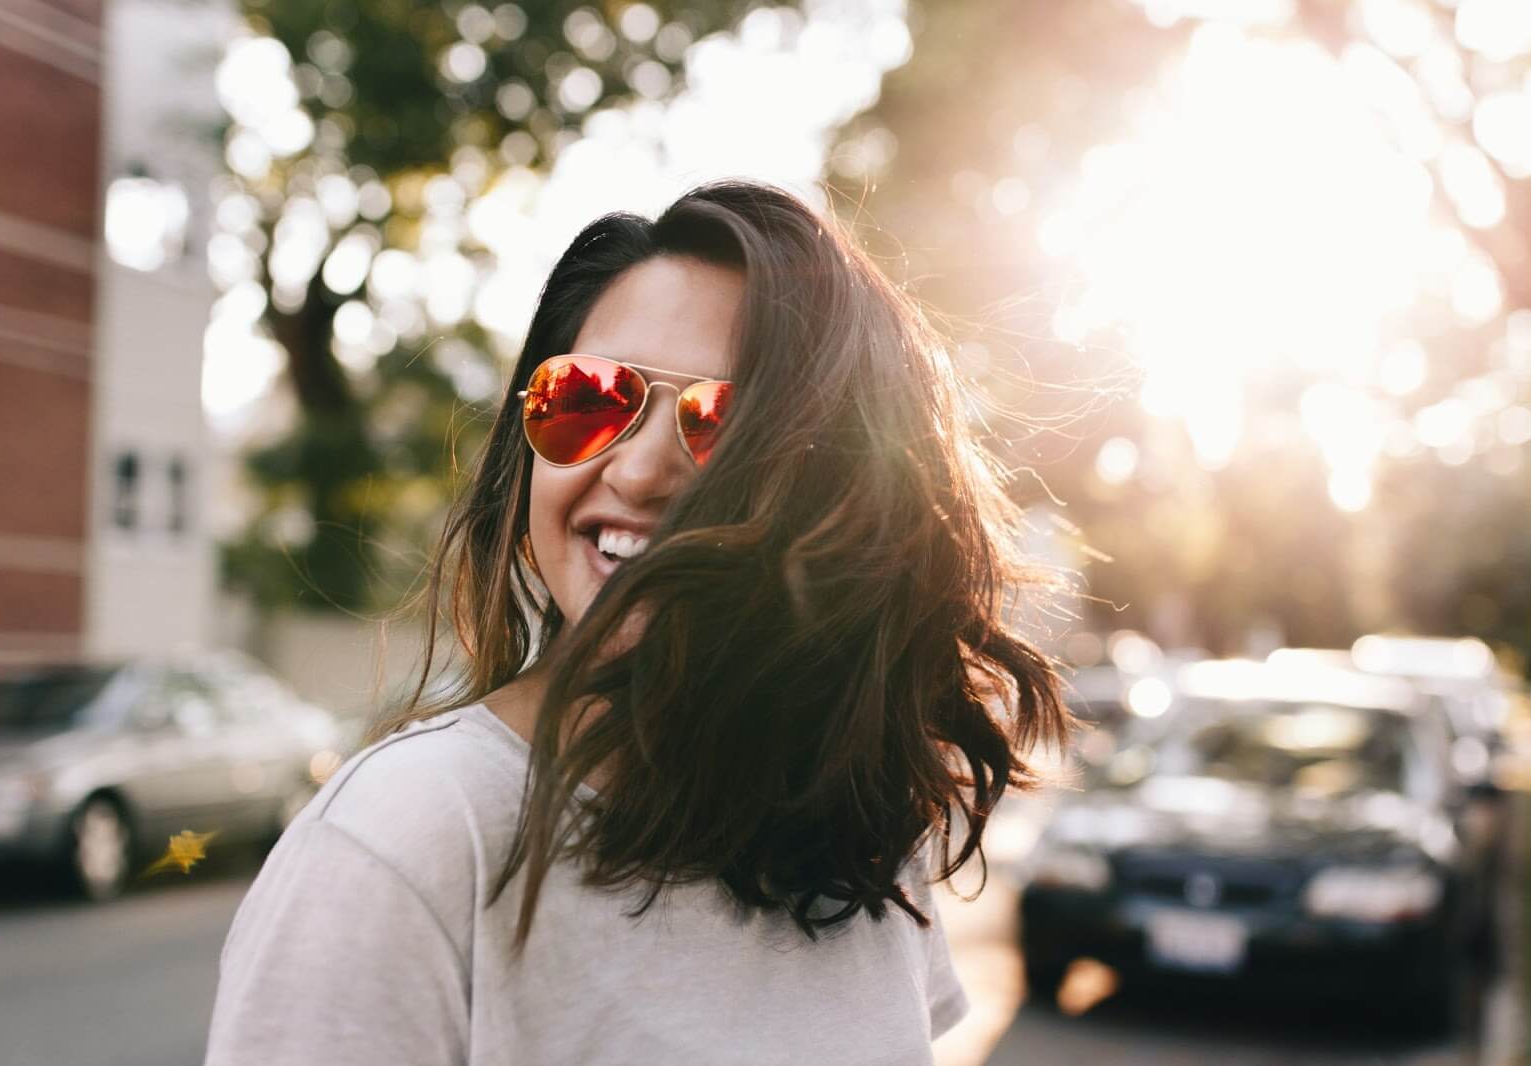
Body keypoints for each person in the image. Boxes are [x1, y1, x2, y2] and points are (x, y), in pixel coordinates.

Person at [204, 180, 1069, 1065]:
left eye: (729, 425)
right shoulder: (402, 839)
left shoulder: (858, 835)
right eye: (589, 399)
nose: (641, 470)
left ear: (848, 496)